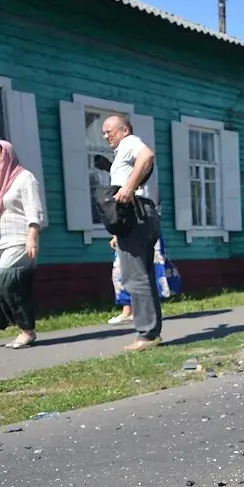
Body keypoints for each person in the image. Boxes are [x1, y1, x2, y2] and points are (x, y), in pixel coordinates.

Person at [0, 140, 45, 348]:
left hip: (19, 240)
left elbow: (35, 210)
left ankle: (27, 330)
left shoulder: (24, 178)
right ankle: (19, 327)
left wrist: (31, 237)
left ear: (8, 156)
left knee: (8, 284)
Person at [101, 114, 163, 351]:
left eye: (110, 131)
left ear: (124, 130)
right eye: (104, 132)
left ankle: (146, 335)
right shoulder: (122, 151)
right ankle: (151, 331)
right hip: (138, 215)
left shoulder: (130, 143)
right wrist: (118, 232)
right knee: (142, 275)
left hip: (137, 212)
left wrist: (128, 187)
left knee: (134, 276)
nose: (106, 136)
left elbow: (147, 155)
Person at [109, 239, 180, 324]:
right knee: (124, 269)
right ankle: (132, 310)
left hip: (140, 233)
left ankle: (146, 310)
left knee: (150, 267)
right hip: (137, 232)